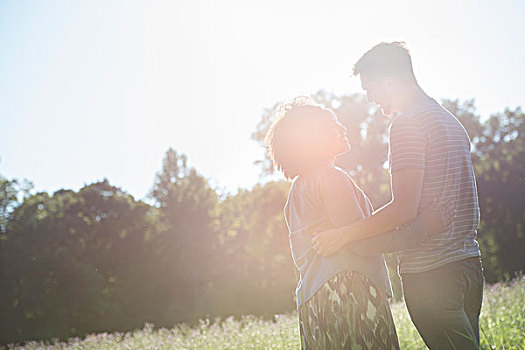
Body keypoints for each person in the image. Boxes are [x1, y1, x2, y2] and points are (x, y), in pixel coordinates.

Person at [313, 42, 484, 350]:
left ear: (388, 81)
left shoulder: (406, 125)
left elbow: (403, 209)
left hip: (432, 274)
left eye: (370, 88)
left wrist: (344, 234)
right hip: (468, 265)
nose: (370, 98)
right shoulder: (449, 121)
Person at [265, 96, 447, 349]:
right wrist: (422, 229)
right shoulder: (330, 178)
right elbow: (361, 244)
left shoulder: (298, 188)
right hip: (350, 292)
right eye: (332, 123)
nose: (341, 128)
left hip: (315, 301)